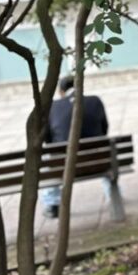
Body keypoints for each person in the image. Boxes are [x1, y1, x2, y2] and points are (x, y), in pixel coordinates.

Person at [40, 75, 112, 218]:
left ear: (61, 91)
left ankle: (53, 204)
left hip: (64, 165)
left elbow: (47, 140)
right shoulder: (95, 101)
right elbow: (104, 129)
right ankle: (113, 193)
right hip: (97, 162)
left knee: (48, 157)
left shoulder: (53, 107)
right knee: (105, 148)